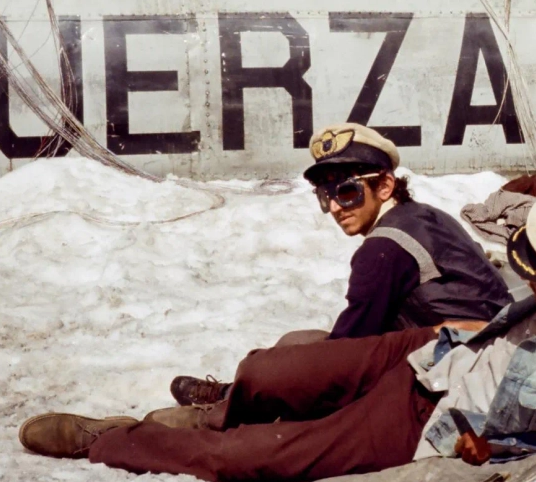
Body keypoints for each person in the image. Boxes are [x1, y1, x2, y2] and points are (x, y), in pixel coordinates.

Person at [16, 190, 536, 482]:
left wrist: (494, 453)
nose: (519, 271)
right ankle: (214, 415)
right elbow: (511, 329)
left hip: (430, 416)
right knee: (266, 370)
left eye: (533, 270)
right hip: (432, 349)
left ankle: (112, 439)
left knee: (256, 459)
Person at [165, 123, 513, 403]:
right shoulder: (424, 216)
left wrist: (287, 374)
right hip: (486, 356)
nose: (334, 208)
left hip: (454, 375)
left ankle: (230, 400)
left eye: (347, 192)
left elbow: (348, 350)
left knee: (289, 361)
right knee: (297, 341)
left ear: (385, 185)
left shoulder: (383, 248)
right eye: (325, 195)